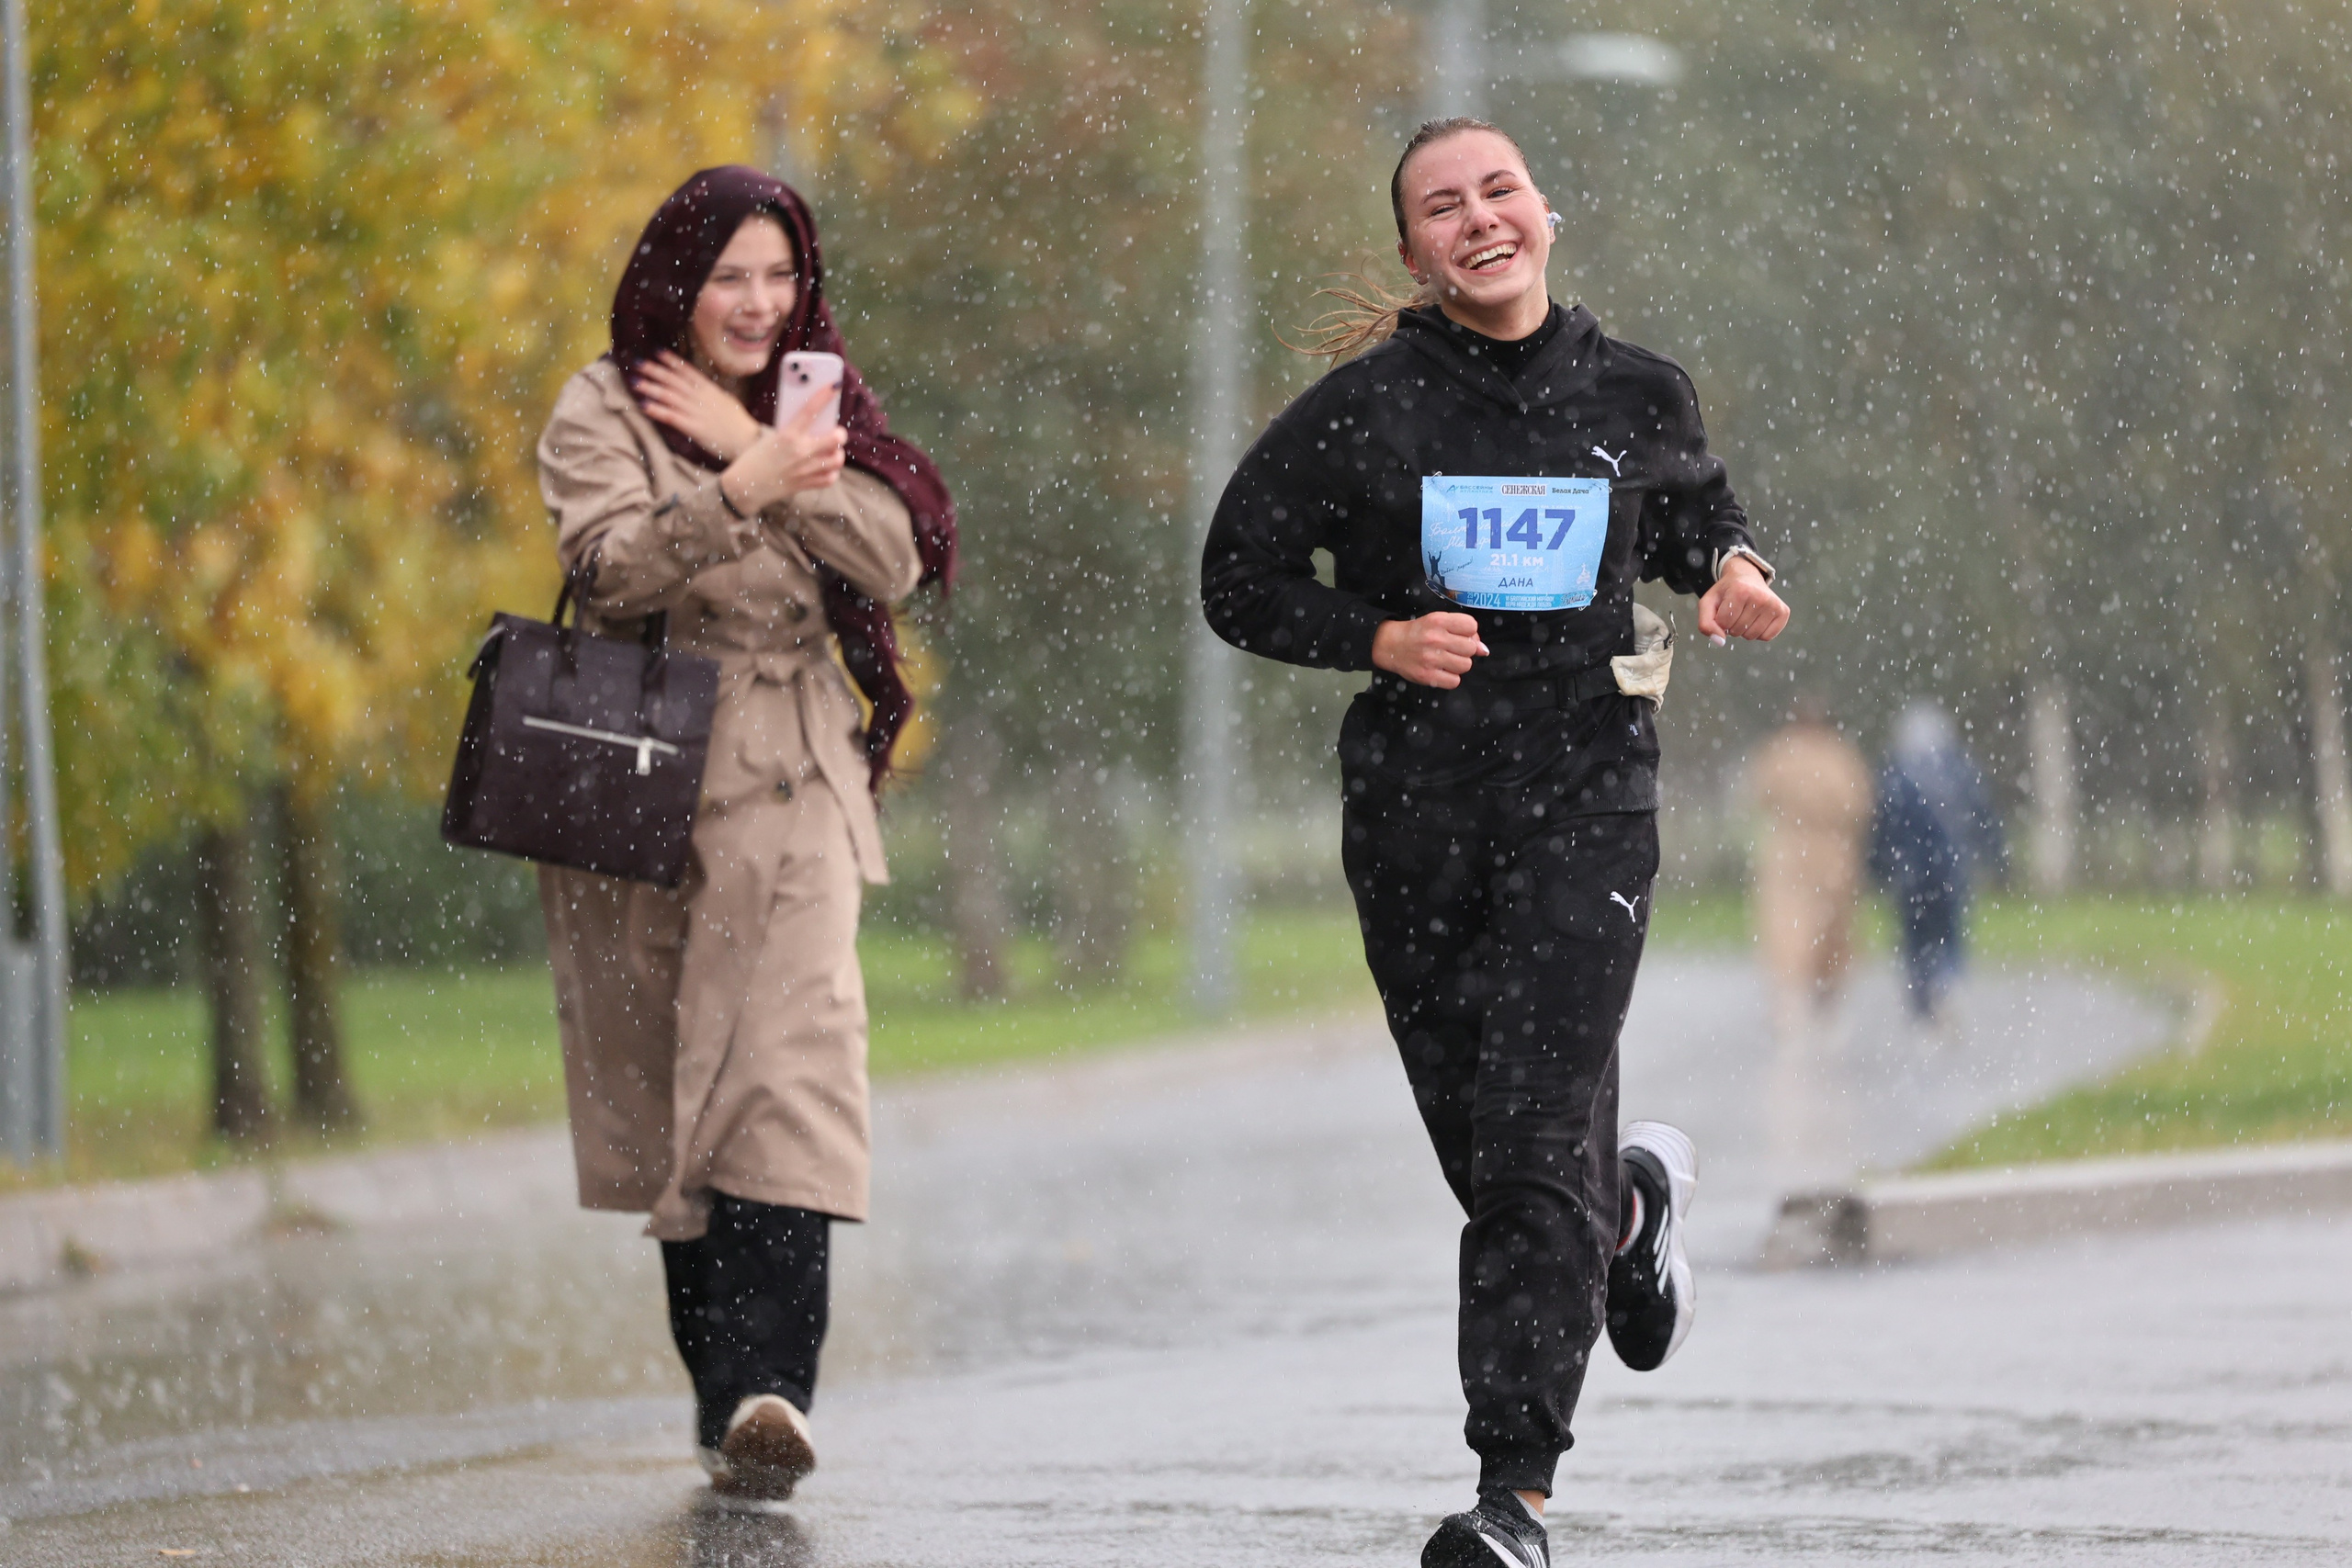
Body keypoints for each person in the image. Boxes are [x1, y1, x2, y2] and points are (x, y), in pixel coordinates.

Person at [1200, 118, 1788, 1568]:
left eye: (1499, 192)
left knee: (1533, 1135)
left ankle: (1511, 1494)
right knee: (1490, 1147)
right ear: (1412, 250)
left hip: (1588, 794)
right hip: (1416, 813)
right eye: (1442, 207)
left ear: (1545, 212)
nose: (1479, 220)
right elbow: (1237, 576)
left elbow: (1698, 513)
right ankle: (1632, 1210)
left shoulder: (1635, 390)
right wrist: (1378, 634)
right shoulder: (1364, 410)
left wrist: (1732, 571)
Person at [534, 165, 955, 1510]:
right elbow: (603, 568)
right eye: (731, 276)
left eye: (779, 275)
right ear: (678, 279)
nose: (760, 302)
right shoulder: (601, 403)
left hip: (793, 766)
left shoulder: (820, 390)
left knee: (793, 1070)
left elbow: (894, 553)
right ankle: (726, 1400)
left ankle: (779, 1383)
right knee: (680, 1097)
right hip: (643, 767)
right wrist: (738, 477)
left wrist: (759, 449)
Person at [1747, 695, 1873, 1185]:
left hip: (1809, 854)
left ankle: (1801, 1013)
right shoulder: (1835, 756)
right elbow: (1860, 803)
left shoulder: (1790, 753)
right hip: (1816, 854)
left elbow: (1760, 794)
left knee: (1816, 941)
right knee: (1802, 939)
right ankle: (1802, 1013)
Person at [1867, 702, 2006, 1021]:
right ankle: (1950, 985)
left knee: (1915, 939)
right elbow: (1984, 817)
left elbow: (1883, 829)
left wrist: (1877, 869)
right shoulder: (1961, 770)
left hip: (1910, 875)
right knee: (1950, 933)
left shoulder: (1896, 773)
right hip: (1952, 870)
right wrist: (1996, 859)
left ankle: (1924, 1001)